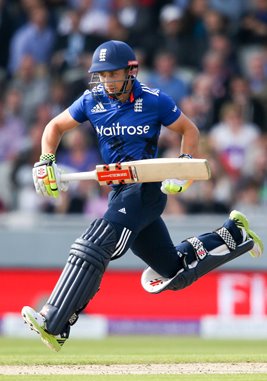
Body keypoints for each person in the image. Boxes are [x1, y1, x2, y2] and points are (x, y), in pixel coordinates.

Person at [21, 40, 264, 352]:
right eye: (101, 75)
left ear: (130, 71)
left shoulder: (153, 100)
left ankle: (55, 321)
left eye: (113, 74)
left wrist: (185, 166)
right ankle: (235, 234)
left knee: (95, 245)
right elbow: (54, 127)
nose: (107, 81)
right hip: (119, 191)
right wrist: (46, 160)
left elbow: (189, 130)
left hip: (146, 189)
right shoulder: (91, 100)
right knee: (173, 271)